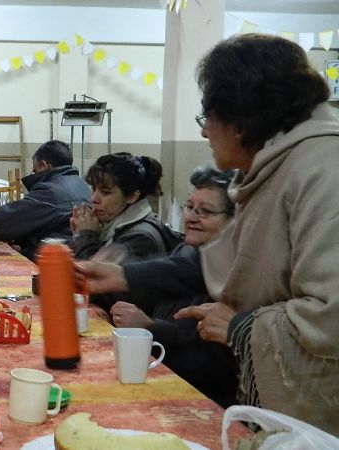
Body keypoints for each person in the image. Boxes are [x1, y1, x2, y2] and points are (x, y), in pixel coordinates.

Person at [79, 34, 339, 434]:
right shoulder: (275, 168)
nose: (203, 134)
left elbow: (330, 318)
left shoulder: (322, 171)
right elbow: (223, 261)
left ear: (240, 119)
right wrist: (124, 276)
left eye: (207, 119)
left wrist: (239, 327)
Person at [110, 165, 238, 408]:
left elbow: (212, 371)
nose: (190, 218)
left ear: (236, 221)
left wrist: (150, 328)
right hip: (159, 372)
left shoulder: (234, 280)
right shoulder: (186, 251)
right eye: (189, 207)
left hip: (201, 402)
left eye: (205, 212)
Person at [0, 140, 91, 260]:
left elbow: (11, 218)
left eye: (35, 171)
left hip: (55, 263)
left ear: (44, 165)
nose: (34, 174)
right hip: (67, 255)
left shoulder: (53, 191)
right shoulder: (81, 185)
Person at [70, 152, 172, 262]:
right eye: (94, 189)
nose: (94, 199)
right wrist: (79, 235)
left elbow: (91, 275)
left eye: (105, 192)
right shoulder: (113, 225)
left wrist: (85, 235)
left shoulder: (140, 239)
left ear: (132, 196)